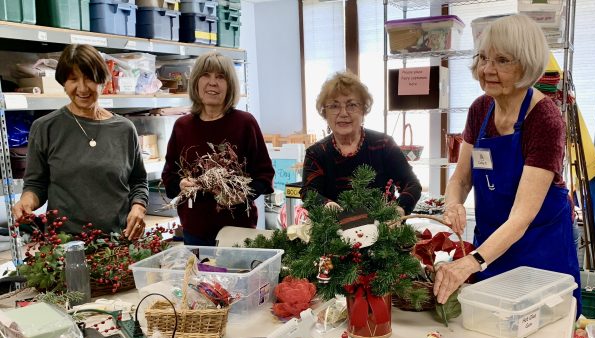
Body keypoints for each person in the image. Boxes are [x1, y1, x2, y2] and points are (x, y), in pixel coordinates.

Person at [433, 15, 581, 314]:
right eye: (483, 58)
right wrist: (452, 205)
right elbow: (461, 181)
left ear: (526, 65)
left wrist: (470, 262)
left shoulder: (545, 119)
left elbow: (520, 219)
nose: (487, 69)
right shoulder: (480, 109)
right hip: (491, 246)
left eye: (502, 60)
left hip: (539, 250)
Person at [13, 44, 148, 240]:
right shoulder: (45, 128)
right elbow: (36, 184)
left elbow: (138, 181)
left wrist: (138, 207)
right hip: (65, 245)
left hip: (118, 241)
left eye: (90, 78)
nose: (82, 88)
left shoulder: (125, 129)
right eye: (73, 79)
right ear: (63, 83)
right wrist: (26, 202)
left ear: (102, 80)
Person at [162, 52, 274, 246]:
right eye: (206, 75)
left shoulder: (245, 123)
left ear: (229, 85)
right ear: (196, 82)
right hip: (195, 233)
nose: (212, 83)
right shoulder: (182, 126)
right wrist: (181, 184)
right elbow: (169, 177)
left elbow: (264, 175)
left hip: (238, 232)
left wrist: (243, 194)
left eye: (220, 77)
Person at [301, 71, 422, 216]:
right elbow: (309, 192)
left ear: (363, 110)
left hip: (383, 229)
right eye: (334, 106)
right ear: (325, 113)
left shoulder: (383, 145)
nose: (343, 113)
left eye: (351, 105)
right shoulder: (316, 153)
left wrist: (399, 208)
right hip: (334, 231)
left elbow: (412, 184)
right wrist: (327, 206)